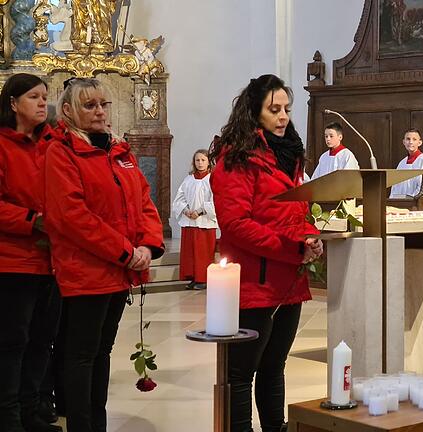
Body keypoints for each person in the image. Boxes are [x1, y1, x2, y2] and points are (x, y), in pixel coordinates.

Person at [44, 78, 164, 431]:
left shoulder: (119, 151)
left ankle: (99, 422)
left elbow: (144, 202)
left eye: (103, 104)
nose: (99, 111)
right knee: (80, 356)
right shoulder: (61, 151)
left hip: (118, 271)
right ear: (67, 111)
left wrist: (146, 246)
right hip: (86, 271)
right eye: (89, 105)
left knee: (101, 353)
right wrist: (125, 252)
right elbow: (73, 216)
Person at [209, 74, 322, 432]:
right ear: (253, 112)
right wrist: (292, 249)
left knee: (275, 366)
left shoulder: (288, 156)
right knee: (242, 371)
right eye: (274, 109)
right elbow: (235, 223)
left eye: (287, 109)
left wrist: (310, 237)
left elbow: (291, 212)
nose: (283, 117)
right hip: (254, 282)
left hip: (288, 279)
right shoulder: (236, 158)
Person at [0, 74, 62, 432]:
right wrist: (32, 220)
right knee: (12, 342)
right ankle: (8, 416)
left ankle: (31, 411)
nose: (43, 103)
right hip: (13, 260)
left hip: (51, 261)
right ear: (12, 103)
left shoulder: (52, 144)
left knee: (42, 340)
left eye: (45, 97)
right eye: (34, 97)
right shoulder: (3, 145)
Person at [172, 149, 218, 290]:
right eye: (197, 160)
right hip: (189, 221)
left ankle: (203, 279)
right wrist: (186, 210)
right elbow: (179, 199)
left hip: (204, 222)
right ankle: (193, 277)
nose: (200, 163)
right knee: (190, 252)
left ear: (209, 162)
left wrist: (199, 211)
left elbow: (216, 199)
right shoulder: (188, 179)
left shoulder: (212, 179)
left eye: (203, 160)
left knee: (203, 252)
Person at [389, 128, 423, 198]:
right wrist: (393, 200)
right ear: (404, 142)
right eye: (408, 139)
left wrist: (411, 199)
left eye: (414, 139)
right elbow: (395, 186)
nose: (410, 142)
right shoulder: (402, 163)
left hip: (415, 203)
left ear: (420, 142)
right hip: (399, 202)